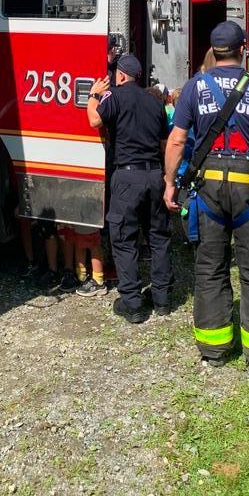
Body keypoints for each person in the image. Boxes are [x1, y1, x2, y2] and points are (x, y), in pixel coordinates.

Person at [164, 21, 249, 377]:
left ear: (214, 49)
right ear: (243, 48)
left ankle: (214, 347)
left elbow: (177, 141)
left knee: (209, 267)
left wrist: (170, 183)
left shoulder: (194, 87)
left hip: (208, 190)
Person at [87, 54, 172, 323]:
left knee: (124, 239)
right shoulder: (155, 100)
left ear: (121, 76)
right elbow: (163, 143)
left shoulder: (114, 96)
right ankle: (162, 299)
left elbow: (94, 121)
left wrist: (93, 95)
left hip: (127, 176)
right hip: (155, 174)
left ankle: (133, 303)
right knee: (158, 237)